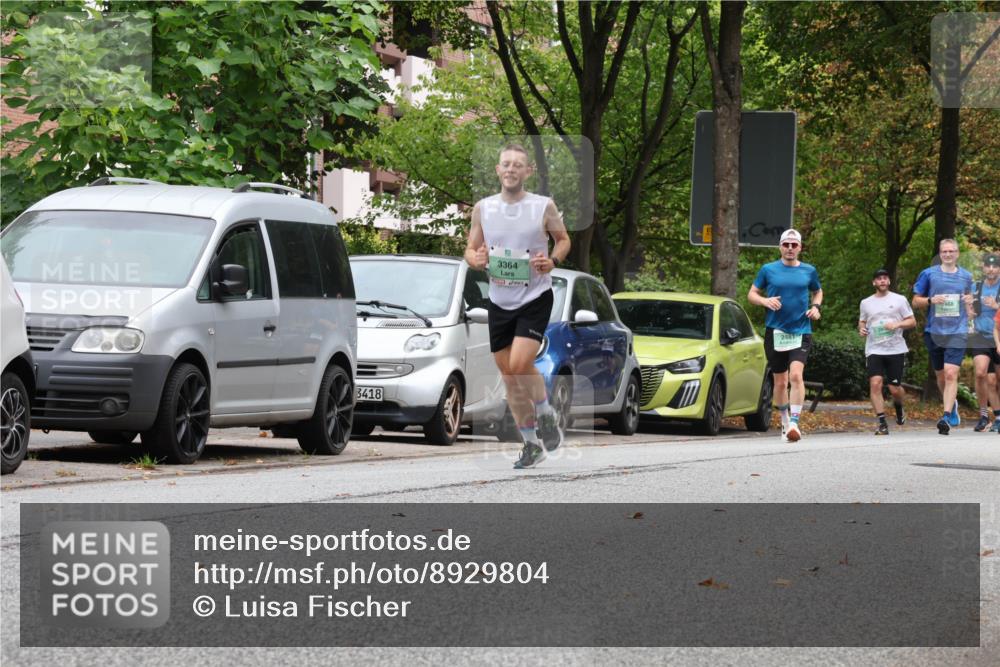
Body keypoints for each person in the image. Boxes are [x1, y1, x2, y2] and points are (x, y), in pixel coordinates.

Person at [464, 143, 571, 469]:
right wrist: (477, 259)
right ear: (498, 170)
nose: (511, 169)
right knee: (510, 377)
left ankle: (545, 414)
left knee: (521, 361)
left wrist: (551, 261)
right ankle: (531, 444)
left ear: (527, 172)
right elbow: (470, 249)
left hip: (535, 297)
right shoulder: (483, 208)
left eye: (517, 165)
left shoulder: (543, 207)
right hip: (499, 301)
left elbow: (564, 240)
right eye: (506, 164)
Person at [748, 228, 823, 443]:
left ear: (800, 248)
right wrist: (765, 301)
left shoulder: (809, 270)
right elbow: (752, 294)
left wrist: (816, 307)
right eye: (786, 244)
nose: (790, 248)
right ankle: (784, 419)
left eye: (794, 245)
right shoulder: (768, 270)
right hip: (776, 331)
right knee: (780, 382)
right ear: (780, 247)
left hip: (801, 330)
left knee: (796, 376)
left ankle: (795, 424)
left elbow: (817, 291)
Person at [911, 238, 975, 435]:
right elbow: (915, 302)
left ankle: (946, 416)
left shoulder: (967, 276)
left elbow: (972, 311)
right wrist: (931, 300)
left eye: (952, 251)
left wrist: (970, 302)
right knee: (941, 376)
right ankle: (952, 405)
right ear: (940, 254)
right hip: (934, 332)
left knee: (950, 374)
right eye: (945, 251)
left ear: (957, 254)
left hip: (958, 331)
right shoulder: (929, 274)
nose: (948, 254)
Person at [858, 268, 916, 435]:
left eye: (885, 278)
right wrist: (862, 329)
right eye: (879, 278)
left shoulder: (899, 300)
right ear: (874, 282)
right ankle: (882, 422)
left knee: (894, 389)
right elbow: (862, 322)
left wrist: (897, 325)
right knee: (875, 383)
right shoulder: (866, 302)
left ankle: (899, 406)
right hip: (874, 349)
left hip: (895, 348)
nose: (882, 281)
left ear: (889, 281)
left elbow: (912, 322)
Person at [969, 253, 1000, 432]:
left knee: (997, 380)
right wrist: (970, 310)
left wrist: (997, 307)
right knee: (982, 374)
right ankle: (983, 415)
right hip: (981, 335)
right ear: (983, 268)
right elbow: (969, 309)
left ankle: (998, 416)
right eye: (987, 266)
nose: (990, 269)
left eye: (994, 266)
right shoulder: (976, 287)